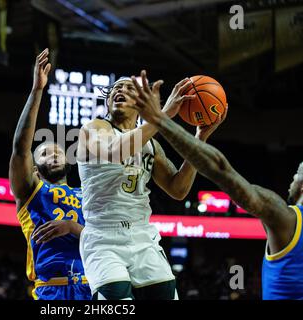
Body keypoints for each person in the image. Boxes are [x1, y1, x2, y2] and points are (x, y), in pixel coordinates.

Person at [125, 69, 303, 300]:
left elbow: (221, 170)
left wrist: (160, 119)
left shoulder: (287, 219)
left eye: (296, 174)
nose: (291, 179)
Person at [76, 72, 222, 300]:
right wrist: (161, 117)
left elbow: (178, 189)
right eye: (116, 88)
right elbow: (116, 151)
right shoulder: (95, 128)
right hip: (104, 239)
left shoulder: (151, 145)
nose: (119, 90)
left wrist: (199, 139)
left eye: (128, 88)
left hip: (142, 237)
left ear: (140, 102)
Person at [9, 48, 91, 300]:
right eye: (45, 153)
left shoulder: (87, 193)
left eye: (58, 151)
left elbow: (106, 239)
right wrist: (37, 90)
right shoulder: (32, 190)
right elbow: (21, 149)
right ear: (34, 168)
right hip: (51, 290)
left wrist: (72, 227)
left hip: (91, 286)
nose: (54, 155)